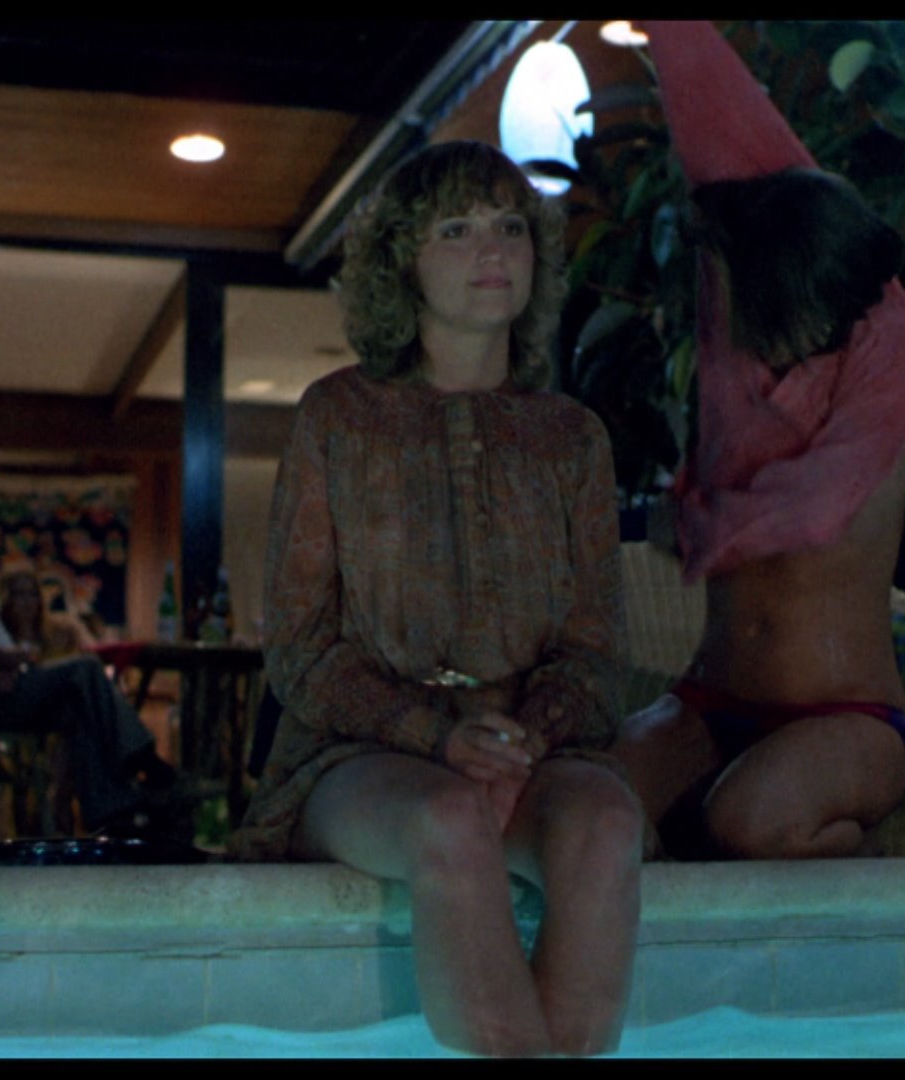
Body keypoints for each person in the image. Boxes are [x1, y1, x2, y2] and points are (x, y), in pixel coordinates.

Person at [226, 141, 643, 1057]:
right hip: (358, 756)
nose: (491, 248)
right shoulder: (337, 417)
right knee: (448, 820)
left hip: (529, 749)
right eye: (455, 229)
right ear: (401, 262)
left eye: (509, 227)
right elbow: (298, 648)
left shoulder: (572, 438)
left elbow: (597, 648)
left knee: (608, 825)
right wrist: (437, 739)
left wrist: (525, 736)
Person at [610, 21, 905, 861]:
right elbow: (718, 119)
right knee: (590, 809)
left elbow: (815, 509)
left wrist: (693, 525)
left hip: (846, 714)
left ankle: (857, 877)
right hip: (713, 696)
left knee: (748, 822)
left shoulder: (895, 352)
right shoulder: (751, 251)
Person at [0, 491, 185, 841]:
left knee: (76, 706)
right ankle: (142, 758)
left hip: (0, 684)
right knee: (84, 669)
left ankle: (112, 811)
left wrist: (11, 660)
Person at [0, 569, 98, 663]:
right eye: (19, 594)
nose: (27, 600)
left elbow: (94, 652)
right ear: (6, 599)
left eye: (33, 594)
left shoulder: (65, 627)